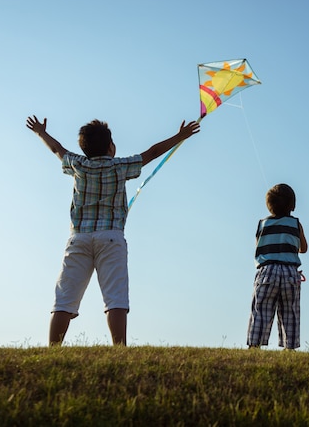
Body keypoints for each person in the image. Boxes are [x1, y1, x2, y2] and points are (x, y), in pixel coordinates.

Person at [26, 115, 200, 346]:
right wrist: (181, 136)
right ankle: (119, 348)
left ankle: (52, 349)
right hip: (111, 237)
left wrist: (40, 132)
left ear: (84, 147)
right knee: (115, 297)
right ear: (111, 147)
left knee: (65, 298)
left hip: (78, 238)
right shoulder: (120, 166)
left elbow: (57, 149)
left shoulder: (78, 164)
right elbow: (153, 152)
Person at [247, 183, 308, 350]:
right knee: (290, 312)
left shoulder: (262, 223)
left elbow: (258, 245)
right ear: (293, 205)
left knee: (261, 310)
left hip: (267, 271)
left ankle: (254, 345)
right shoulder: (296, 224)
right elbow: (304, 248)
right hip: (290, 272)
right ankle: (290, 347)